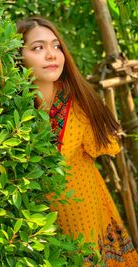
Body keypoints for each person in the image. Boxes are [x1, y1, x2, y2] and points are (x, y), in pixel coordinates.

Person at [16, 16, 138, 266]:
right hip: (36, 228)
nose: (51, 54)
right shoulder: (10, 112)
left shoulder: (80, 103)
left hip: (84, 214)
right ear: (18, 56)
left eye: (56, 46)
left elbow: (107, 146)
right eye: (38, 48)